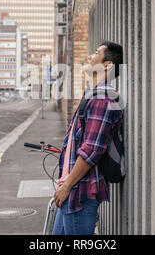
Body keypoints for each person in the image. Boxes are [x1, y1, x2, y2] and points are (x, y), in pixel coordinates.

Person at [52, 41, 123, 235]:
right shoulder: (93, 95)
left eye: (96, 52)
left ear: (107, 64)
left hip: (79, 193)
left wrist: (66, 186)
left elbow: (92, 150)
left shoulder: (102, 100)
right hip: (71, 190)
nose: (90, 56)